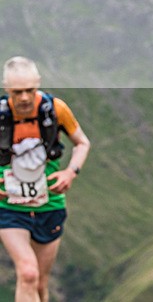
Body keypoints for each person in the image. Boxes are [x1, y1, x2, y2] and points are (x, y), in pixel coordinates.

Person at [0, 57, 91, 302]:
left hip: (49, 204)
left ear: (38, 84)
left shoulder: (55, 109)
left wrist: (70, 171)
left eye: (30, 90)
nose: (25, 98)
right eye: (17, 92)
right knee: (28, 273)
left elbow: (82, 143)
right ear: (6, 89)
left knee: (40, 283)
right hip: (9, 207)